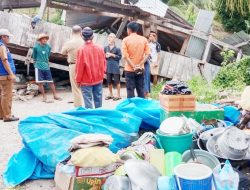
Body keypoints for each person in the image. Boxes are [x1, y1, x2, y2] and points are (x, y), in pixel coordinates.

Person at [76, 27, 106, 109]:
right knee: (98, 100)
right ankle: (99, 117)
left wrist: (78, 80)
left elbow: (80, 67)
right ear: (93, 37)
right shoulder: (100, 48)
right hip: (98, 79)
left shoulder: (81, 50)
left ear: (82, 37)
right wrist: (102, 74)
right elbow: (104, 63)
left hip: (86, 81)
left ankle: (90, 118)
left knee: (88, 101)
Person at [122, 21, 150, 98]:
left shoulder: (125, 40)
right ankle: (141, 108)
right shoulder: (144, 39)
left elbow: (125, 56)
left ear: (129, 30)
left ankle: (131, 108)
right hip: (140, 69)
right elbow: (147, 54)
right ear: (136, 29)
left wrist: (133, 66)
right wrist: (140, 64)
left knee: (130, 90)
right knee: (140, 89)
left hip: (129, 70)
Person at [32, 33, 62, 103]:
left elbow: (48, 56)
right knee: (40, 83)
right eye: (43, 39)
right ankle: (44, 96)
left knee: (51, 82)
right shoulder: (35, 47)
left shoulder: (48, 47)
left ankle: (55, 95)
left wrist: (46, 62)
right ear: (40, 40)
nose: (45, 40)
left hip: (46, 66)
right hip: (38, 66)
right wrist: (35, 64)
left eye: (46, 39)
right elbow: (34, 57)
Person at [61, 25, 84, 107]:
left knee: (75, 87)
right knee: (84, 85)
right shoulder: (84, 42)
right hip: (84, 66)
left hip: (74, 65)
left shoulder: (69, 43)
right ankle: (85, 103)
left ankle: (78, 106)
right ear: (81, 32)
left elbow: (63, 52)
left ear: (72, 32)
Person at [0, 29, 19, 122]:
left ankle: (2, 114)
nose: (8, 38)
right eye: (7, 37)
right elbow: (4, 60)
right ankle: (7, 116)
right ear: (3, 37)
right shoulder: (2, 46)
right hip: (5, 75)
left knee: (2, 94)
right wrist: (11, 74)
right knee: (7, 95)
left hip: (1, 74)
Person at [104, 33, 122, 101]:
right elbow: (103, 56)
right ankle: (111, 94)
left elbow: (119, 57)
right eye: (109, 37)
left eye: (111, 37)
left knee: (117, 81)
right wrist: (105, 56)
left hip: (115, 67)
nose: (109, 38)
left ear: (114, 39)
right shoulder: (106, 48)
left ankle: (118, 95)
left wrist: (112, 55)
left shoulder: (117, 48)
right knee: (109, 81)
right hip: (108, 66)